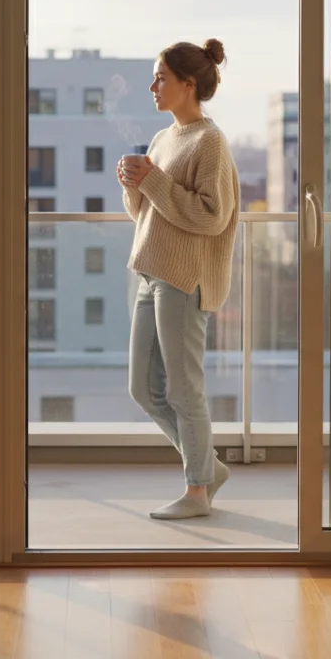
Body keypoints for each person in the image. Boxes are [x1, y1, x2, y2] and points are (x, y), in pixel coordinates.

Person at [118, 39, 240, 520]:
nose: (153, 86)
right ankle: (207, 466)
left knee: (183, 388)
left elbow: (212, 216)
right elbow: (147, 214)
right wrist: (133, 185)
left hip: (185, 278)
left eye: (161, 78)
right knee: (142, 388)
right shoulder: (162, 139)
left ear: (189, 86)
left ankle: (197, 491)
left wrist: (152, 181)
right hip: (151, 271)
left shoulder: (209, 141)